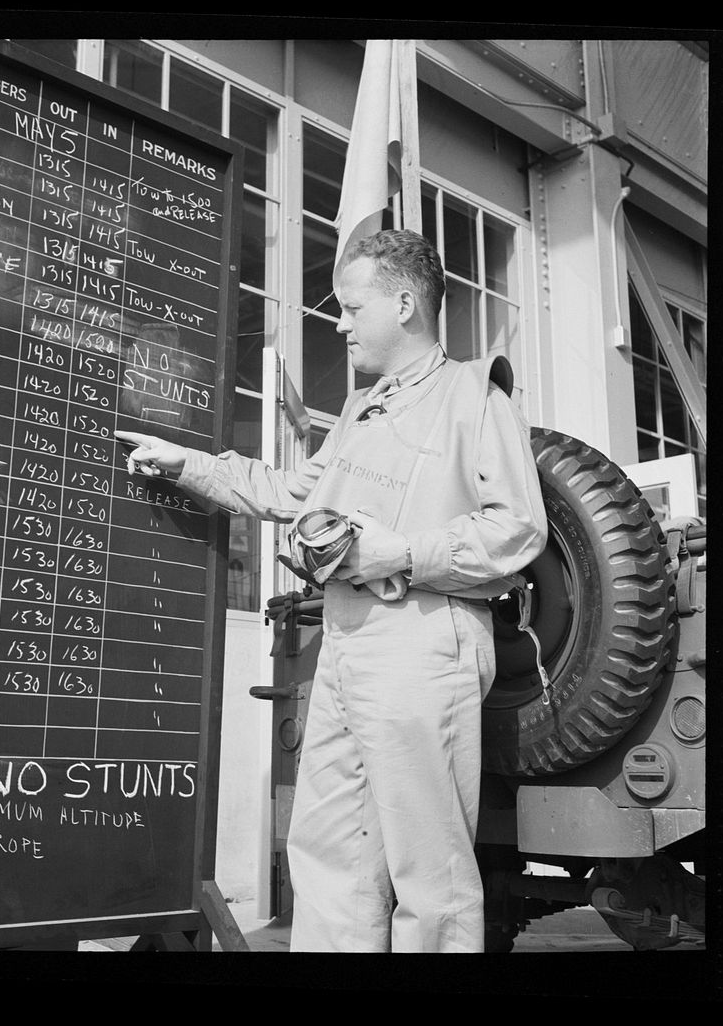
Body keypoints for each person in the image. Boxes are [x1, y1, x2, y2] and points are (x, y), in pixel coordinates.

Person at [116, 229, 547, 953]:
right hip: (345, 642)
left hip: (425, 637)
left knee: (429, 875)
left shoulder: (475, 394)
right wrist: (183, 462)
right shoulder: (358, 411)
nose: (340, 323)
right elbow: (286, 490)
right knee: (328, 856)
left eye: (352, 306)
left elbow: (517, 530)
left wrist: (400, 550)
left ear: (405, 303)